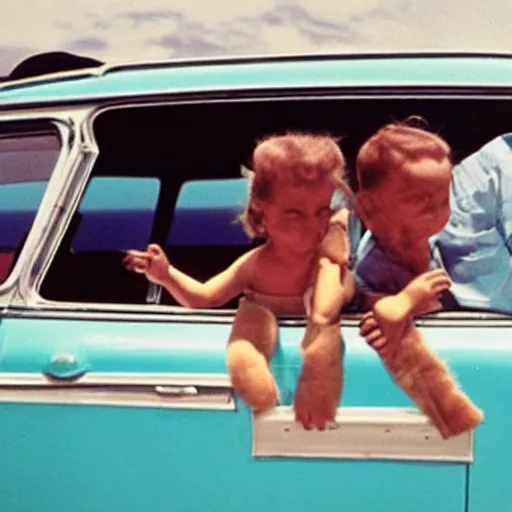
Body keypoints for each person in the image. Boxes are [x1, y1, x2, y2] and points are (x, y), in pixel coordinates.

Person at [123, 132, 355, 430]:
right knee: (249, 328)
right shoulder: (256, 264)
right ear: (261, 209)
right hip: (259, 325)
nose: (312, 225)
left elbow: (349, 286)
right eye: (294, 214)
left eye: (322, 211)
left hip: (318, 337)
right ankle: (250, 368)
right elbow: (206, 297)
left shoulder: (326, 263)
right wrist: (166, 275)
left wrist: (337, 287)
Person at [353, 121, 483, 438]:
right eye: (418, 200)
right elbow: (383, 317)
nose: (436, 212)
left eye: (442, 200)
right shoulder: (375, 264)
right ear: (370, 209)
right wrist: (411, 299)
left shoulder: (428, 238)